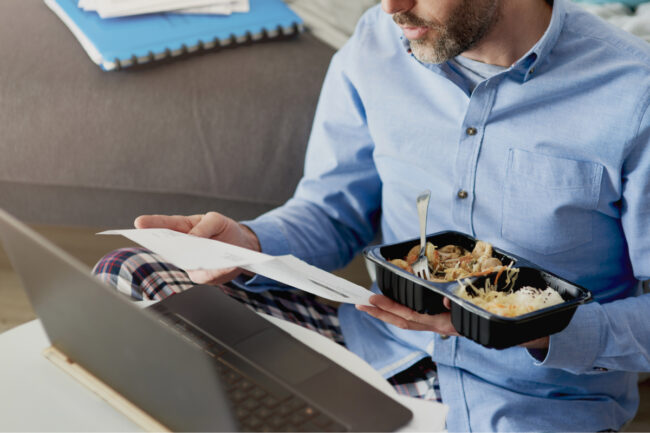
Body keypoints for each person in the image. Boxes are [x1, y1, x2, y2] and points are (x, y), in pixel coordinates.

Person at [93, 0, 650, 431]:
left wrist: (526, 330)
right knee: (131, 275)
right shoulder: (378, 44)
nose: (390, 7)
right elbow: (334, 212)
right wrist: (248, 242)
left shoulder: (633, 95)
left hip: (524, 404)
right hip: (373, 347)